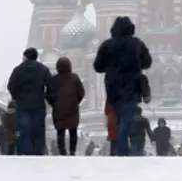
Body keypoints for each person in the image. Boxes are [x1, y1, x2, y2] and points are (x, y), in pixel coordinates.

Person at [93, 15, 153, 158]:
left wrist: (111, 67)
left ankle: (122, 147)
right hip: (132, 86)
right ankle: (121, 148)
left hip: (113, 87)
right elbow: (147, 62)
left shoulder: (106, 45)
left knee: (119, 117)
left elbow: (98, 66)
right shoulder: (136, 44)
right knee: (127, 116)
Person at [7, 47, 56, 156]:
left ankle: (26, 150)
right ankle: (38, 151)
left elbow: (10, 85)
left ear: (25, 57)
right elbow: (51, 85)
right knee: (38, 128)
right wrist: (48, 98)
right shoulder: (43, 69)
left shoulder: (17, 70)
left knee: (24, 128)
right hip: (38, 104)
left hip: (22, 105)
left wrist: (16, 97)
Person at [50, 56, 86, 156]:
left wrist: (54, 104)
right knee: (73, 130)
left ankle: (62, 151)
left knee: (60, 131)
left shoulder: (54, 79)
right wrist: (75, 102)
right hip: (72, 109)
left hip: (58, 110)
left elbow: (49, 94)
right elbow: (81, 92)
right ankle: (72, 151)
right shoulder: (74, 77)